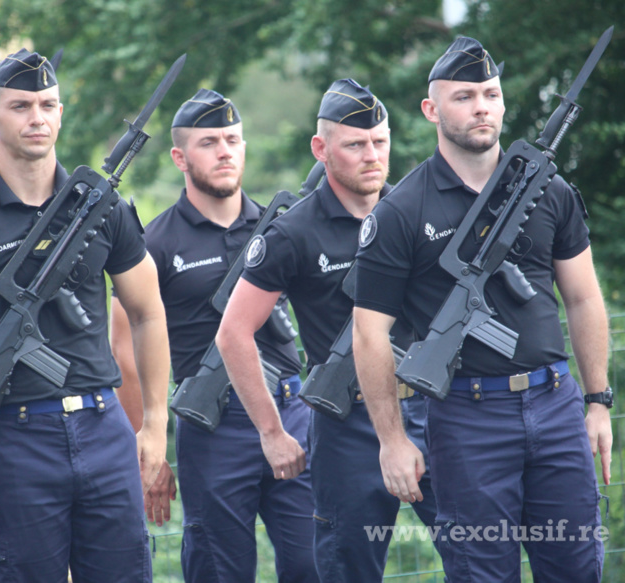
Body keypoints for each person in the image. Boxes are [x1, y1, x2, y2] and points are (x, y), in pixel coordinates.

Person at [0, 49, 170, 583]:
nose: (37, 117)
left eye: (48, 104)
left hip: (104, 424)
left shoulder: (102, 207)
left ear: (62, 113)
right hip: (16, 434)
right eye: (21, 106)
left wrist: (156, 423)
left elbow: (148, 313)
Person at [352, 37, 612, 581]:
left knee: (577, 566)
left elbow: (585, 297)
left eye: (490, 94)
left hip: (556, 404)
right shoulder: (401, 211)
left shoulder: (550, 191)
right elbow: (369, 334)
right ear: (431, 109)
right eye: (464, 95)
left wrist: (597, 401)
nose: (481, 107)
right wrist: (393, 440)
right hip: (467, 419)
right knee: (480, 571)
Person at [215, 80, 439, 581]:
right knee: (346, 569)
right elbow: (233, 332)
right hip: (347, 428)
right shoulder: (294, 232)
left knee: (475, 556)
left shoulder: (415, 212)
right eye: (355, 144)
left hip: (429, 411)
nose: (371, 155)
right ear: (322, 149)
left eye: (379, 142)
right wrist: (272, 432)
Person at [112, 88, 317, 582]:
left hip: (292, 414)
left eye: (233, 139)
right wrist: (150, 449)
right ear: (180, 157)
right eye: (209, 142)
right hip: (214, 428)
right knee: (219, 571)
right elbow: (124, 350)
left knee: (315, 563)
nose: (225, 151)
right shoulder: (154, 242)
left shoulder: (281, 229)